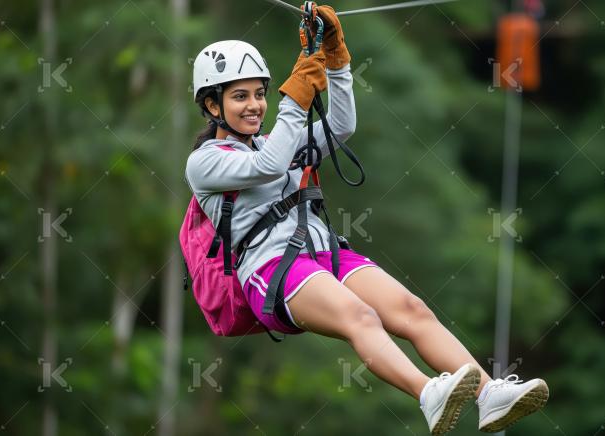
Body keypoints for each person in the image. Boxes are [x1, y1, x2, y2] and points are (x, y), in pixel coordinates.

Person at [184, 5, 548, 434]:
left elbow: (339, 126)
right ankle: (427, 392)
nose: (255, 105)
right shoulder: (205, 163)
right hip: (271, 270)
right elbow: (270, 163)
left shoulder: (273, 137)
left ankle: (489, 396)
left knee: (412, 310)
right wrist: (294, 98)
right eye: (240, 96)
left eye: (259, 93)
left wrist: (338, 62)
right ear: (212, 105)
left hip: (324, 254)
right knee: (360, 317)